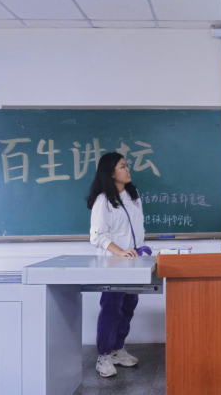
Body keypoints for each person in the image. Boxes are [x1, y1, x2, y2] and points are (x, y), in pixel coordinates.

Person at [87, 152, 145, 377]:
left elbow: (137, 229)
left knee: (128, 306)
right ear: (111, 173)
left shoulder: (133, 195)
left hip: (133, 262)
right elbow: (97, 236)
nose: (127, 169)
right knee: (112, 308)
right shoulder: (103, 200)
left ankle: (117, 350)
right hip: (113, 263)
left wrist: (139, 250)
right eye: (122, 166)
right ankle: (103, 356)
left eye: (127, 165)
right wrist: (120, 251)